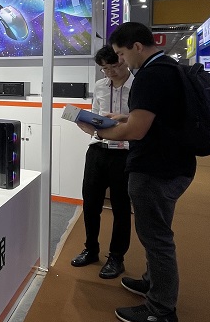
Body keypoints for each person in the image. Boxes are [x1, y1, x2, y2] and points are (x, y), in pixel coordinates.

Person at [77, 22, 194, 322]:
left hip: (155, 167)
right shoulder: (168, 69)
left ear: (137, 47)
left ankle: (160, 310)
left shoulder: (151, 75)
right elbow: (151, 120)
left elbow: (137, 130)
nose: (120, 62)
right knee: (149, 232)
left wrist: (100, 131)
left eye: (120, 55)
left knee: (155, 238)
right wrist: (118, 120)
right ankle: (152, 284)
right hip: (163, 163)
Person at [71, 46, 133, 279]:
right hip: (98, 150)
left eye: (114, 66)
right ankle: (91, 249)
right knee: (90, 204)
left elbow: (141, 121)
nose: (110, 72)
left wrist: (122, 121)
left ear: (124, 60)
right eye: (105, 68)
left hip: (125, 153)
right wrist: (88, 123)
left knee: (121, 207)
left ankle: (116, 257)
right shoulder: (99, 86)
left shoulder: (138, 86)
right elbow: (96, 114)